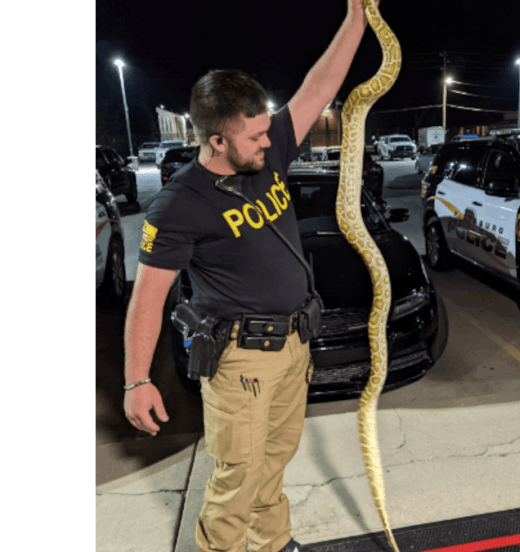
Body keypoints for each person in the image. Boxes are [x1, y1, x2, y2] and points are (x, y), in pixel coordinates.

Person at [122, 2, 377, 552]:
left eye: (268, 131)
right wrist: (137, 380)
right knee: (236, 477)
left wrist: (357, 15)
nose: (271, 143)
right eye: (255, 137)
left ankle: (273, 543)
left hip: (293, 346)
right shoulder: (179, 205)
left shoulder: (269, 148)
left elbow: (318, 87)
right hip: (241, 360)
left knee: (274, 464)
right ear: (217, 140)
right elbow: (148, 297)